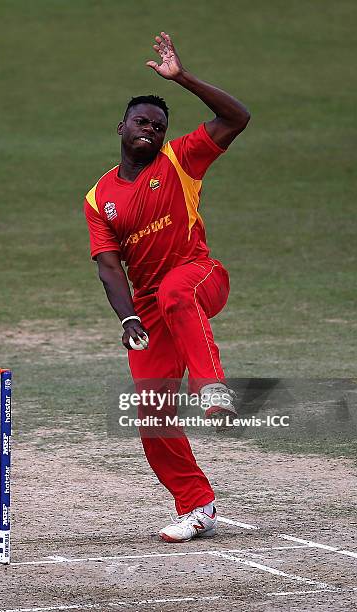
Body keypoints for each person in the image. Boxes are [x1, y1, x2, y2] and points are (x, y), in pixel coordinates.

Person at [84, 32, 250, 542]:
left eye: (158, 126)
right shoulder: (99, 197)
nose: (150, 130)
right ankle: (198, 506)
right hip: (151, 310)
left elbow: (237, 118)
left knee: (177, 290)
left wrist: (183, 79)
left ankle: (212, 388)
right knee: (152, 417)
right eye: (142, 122)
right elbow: (110, 267)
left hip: (202, 278)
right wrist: (129, 317)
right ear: (122, 126)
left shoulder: (180, 161)